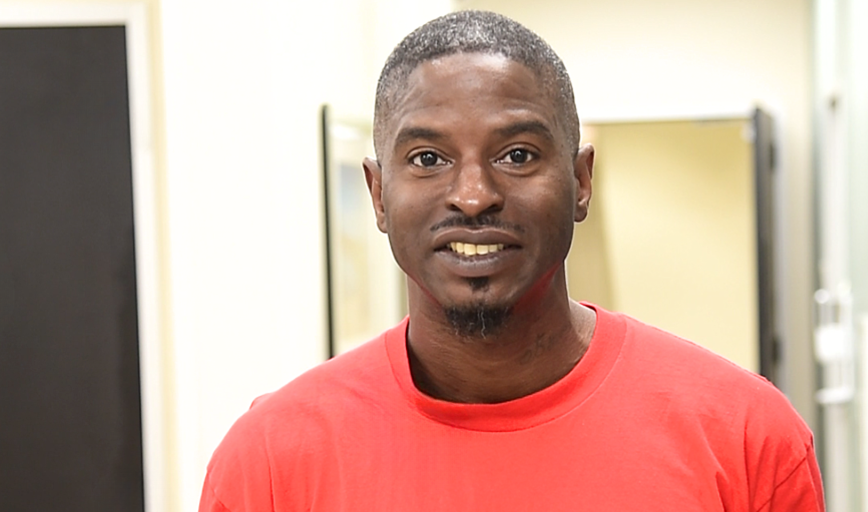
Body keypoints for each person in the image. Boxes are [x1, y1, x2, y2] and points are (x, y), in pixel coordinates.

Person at [199, 10, 824, 512]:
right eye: (427, 159)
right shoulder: (271, 466)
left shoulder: (745, 439)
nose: (473, 195)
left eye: (518, 154)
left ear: (580, 182)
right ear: (378, 193)